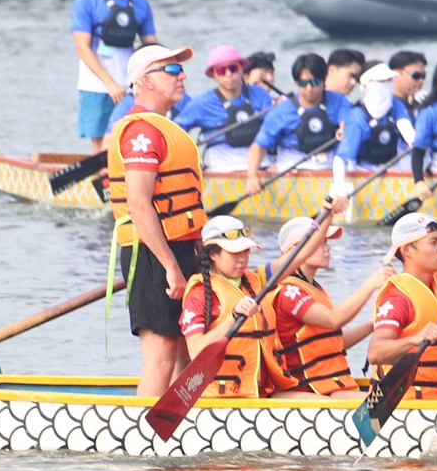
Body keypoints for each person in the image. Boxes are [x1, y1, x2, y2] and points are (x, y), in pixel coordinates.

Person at [106, 45, 208, 400]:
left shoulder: (163, 127)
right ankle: (142, 438)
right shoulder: (140, 132)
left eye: (180, 68)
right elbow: (138, 204)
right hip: (152, 253)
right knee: (162, 354)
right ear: (145, 80)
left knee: (186, 349)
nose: (181, 75)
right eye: (171, 69)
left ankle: (181, 431)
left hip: (180, 249)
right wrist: (170, 267)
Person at [264, 211, 390, 397]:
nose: (328, 248)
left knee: (387, 399)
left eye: (327, 242)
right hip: (308, 389)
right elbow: (333, 320)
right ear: (297, 249)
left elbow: (333, 343)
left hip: (330, 384)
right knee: (382, 404)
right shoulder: (288, 292)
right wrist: (370, 284)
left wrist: (374, 325)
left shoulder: (315, 289)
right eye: (321, 242)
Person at [178, 215, 281, 399]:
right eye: (235, 253)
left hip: (260, 393)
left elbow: (296, 257)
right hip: (221, 399)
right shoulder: (198, 294)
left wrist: (325, 216)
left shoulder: (254, 280)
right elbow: (195, 351)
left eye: (246, 251)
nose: (243, 259)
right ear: (212, 254)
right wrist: (233, 317)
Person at [367, 213, 437, 401]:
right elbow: (375, 353)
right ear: (408, 250)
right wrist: (417, 338)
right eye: (433, 242)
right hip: (402, 405)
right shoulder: (398, 297)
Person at [72, 0, 157, 149]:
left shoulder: (140, 3)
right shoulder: (85, 1)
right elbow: (82, 48)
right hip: (97, 84)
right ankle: (102, 178)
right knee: (102, 144)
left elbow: (152, 48)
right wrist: (109, 83)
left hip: (131, 84)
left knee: (136, 138)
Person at [248, 52, 347, 193]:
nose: (309, 89)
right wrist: (252, 176)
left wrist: (344, 127)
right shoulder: (282, 111)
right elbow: (259, 146)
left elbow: (349, 119)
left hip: (330, 172)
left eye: (314, 82)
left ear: (324, 80)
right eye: (303, 83)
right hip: (291, 174)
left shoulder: (339, 101)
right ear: (296, 83)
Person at [177, 45, 276, 174]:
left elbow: (278, 130)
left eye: (233, 68)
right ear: (213, 75)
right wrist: (196, 166)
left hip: (263, 167)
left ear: (241, 69)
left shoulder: (261, 95)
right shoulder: (201, 104)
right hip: (222, 171)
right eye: (221, 71)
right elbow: (175, 134)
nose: (229, 74)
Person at [341, 55, 424, 170]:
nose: (386, 84)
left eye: (389, 80)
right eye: (381, 81)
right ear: (366, 85)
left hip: (390, 165)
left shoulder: (395, 103)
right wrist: (340, 184)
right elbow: (341, 158)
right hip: (361, 169)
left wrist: (414, 141)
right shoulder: (357, 116)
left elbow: (405, 127)